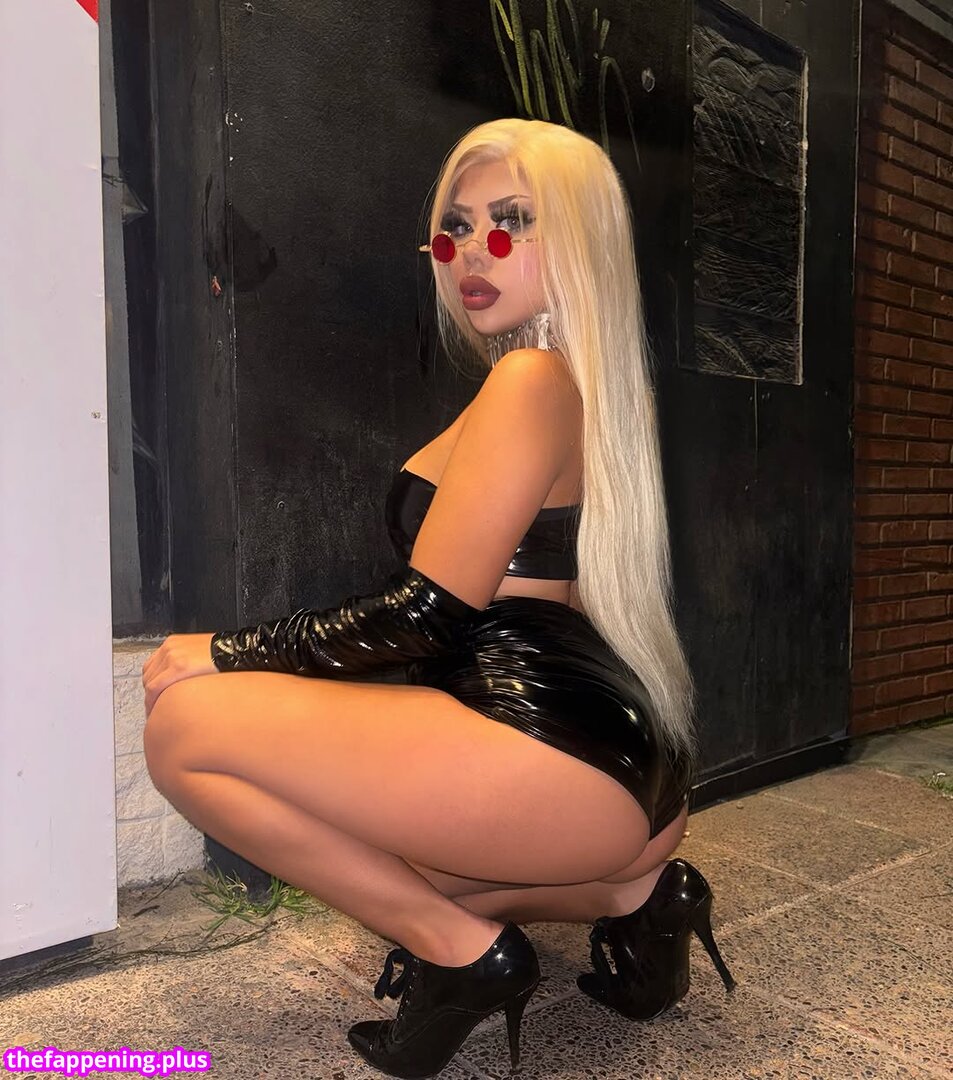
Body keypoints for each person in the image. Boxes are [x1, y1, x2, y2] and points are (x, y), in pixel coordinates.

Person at [141, 117, 735, 1079]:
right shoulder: (569, 387)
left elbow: (425, 614)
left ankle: (464, 957)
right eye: (453, 228)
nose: (473, 250)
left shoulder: (532, 381)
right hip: (619, 770)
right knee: (377, 858)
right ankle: (638, 899)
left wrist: (222, 650)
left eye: (512, 220)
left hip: (552, 753)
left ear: (580, 237)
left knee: (183, 730)